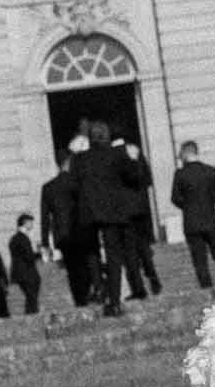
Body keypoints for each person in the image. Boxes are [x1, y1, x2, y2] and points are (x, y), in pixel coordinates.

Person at [74, 122, 144, 317]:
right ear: (107, 136)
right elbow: (134, 178)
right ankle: (126, 295)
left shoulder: (82, 159)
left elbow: (75, 186)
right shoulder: (118, 153)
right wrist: (135, 159)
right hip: (118, 213)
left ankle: (106, 296)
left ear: (90, 138)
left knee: (102, 257)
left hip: (95, 216)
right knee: (122, 255)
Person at [170, 142, 215, 290]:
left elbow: (175, 198)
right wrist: (208, 202)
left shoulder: (180, 174)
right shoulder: (210, 171)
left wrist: (187, 206)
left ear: (185, 154)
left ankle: (207, 289)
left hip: (191, 221)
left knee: (200, 261)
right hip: (211, 218)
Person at [40, 149, 95, 307]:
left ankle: (79, 300)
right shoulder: (77, 182)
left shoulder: (48, 187)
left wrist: (44, 242)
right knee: (84, 264)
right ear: (68, 162)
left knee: (72, 269)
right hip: (80, 230)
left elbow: (45, 217)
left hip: (62, 235)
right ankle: (87, 293)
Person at [116, 136, 163, 297]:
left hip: (123, 211)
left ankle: (139, 287)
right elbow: (148, 180)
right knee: (142, 247)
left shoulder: (116, 158)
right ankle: (152, 276)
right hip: (140, 209)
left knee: (129, 252)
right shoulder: (136, 154)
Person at [8, 213, 43, 315]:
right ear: (25, 223)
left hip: (22, 274)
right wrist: (39, 254)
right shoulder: (22, 238)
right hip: (27, 274)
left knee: (30, 299)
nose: (32, 224)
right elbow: (28, 256)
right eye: (30, 222)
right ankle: (32, 319)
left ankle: (30, 318)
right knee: (32, 299)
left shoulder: (15, 238)